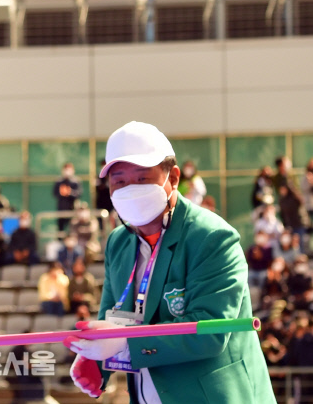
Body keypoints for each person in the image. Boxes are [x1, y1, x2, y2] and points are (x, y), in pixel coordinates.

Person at [65, 120, 275, 402]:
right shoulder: (118, 242)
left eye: (142, 178)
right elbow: (112, 319)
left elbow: (209, 332)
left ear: (173, 178)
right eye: (119, 181)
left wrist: (126, 342)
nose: (130, 189)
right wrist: (96, 360)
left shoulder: (212, 237)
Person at [53, 163, 83, 232]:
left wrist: (70, 192)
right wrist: (62, 193)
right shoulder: (59, 181)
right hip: (61, 209)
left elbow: (79, 194)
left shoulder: (76, 181)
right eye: (65, 169)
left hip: (72, 209)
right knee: (60, 229)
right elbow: (54, 193)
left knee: (72, 229)